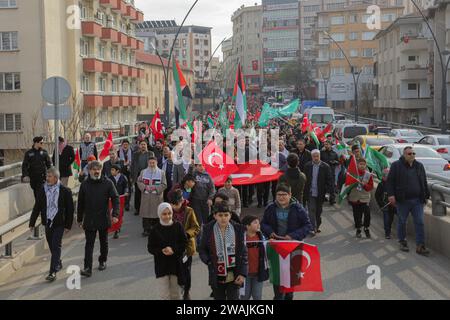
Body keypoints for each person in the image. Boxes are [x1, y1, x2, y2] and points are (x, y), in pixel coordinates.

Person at [261, 183, 313, 300]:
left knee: (291, 276)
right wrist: (270, 232)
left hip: (293, 246)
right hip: (276, 246)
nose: (281, 197)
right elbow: (263, 223)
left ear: (290, 195)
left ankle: (289, 296)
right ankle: (278, 297)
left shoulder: (298, 208)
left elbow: (307, 226)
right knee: (277, 276)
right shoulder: (270, 208)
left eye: (284, 194)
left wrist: (292, 236)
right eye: (278, 194)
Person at [29, 167, 74, 282]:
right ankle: (57, 262)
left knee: (56, 245)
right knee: (51, 244)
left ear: (55, 178)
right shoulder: (42, 190)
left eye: (49, 176)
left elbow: (70, 210)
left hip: (59, 222)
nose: (47, 178)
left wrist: (68, 225)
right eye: (47, 176)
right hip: (48, 222)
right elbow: (37, 207)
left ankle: (52, 272)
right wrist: (32, 222)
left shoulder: (65, 191)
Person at [77, 161, 119, 277]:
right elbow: (80, 203)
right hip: (89, 219)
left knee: (103, 242)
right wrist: (80, 219)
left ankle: (102, 260)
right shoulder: (84, 184)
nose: (96, 171)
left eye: (98, 169)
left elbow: (115, 198)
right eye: (93, 169)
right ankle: (87, 268)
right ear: (89, 171)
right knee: (89, 244)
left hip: (103, 218)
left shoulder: (108, 183)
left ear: (101, 170)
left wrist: (115, 214)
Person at [199, 201, 247, 300]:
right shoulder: (208, 229)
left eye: (226, 215)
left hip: (234, 274)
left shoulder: (238, 229)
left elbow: (244, 253)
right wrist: (208, 261)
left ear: (230, 215)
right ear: (215, 216)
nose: (223, 218)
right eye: (220, 215)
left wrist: (242, 273)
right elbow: (202, 249)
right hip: (217, 274)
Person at [386, 146, 430, 255]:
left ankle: (420, 246)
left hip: (417, 200)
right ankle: (402, 241)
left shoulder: (419, 166)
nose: (412, 155)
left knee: (419, 222)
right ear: (404, 155)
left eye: (414, 153)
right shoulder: (396, 165)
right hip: (403, 200)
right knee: (402, 221)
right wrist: (391, 195)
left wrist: (426, 196)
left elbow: (424, 181)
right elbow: (390, 181)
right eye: (409, 154)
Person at [148, 202, 187, 300]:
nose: (167, 216)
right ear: (159, 214)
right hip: (161, 266)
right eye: (164, 214)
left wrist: (173, 250)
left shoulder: (178, 226)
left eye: (169, 213)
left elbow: (184, 243)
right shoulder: (154, 229)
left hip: (176, 266)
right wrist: (161, 251)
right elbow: (151, 248)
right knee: (164, 295)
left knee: (176, 294)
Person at [169, 190, 201, 300]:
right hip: (173, 248)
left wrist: (187, 234)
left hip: (187, 248)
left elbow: (196, 228)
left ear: (182, 201)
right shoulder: (168, 211)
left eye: (176, 204)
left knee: (186, 271)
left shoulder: (189, 211)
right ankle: (177, 290)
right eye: (172, 204)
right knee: (174, 272)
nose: (175, 207)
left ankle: (187, 291)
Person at [304, 149, 333, 235]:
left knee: (318, 211)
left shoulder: (326, 166)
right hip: (310, 192)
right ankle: (312, 228)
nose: (316, 158)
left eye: (317, 156)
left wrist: (328, 193)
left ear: (320, 156)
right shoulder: (307, 166)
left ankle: (317, 225)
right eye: (314, 156)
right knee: (311, 210)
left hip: (320, 192)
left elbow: (329, 181)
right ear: (311, 157)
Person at [137, 156, 167, 236]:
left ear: (156, 163)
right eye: (150, 163)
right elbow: (139, 182)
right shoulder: (143, 172)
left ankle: (155, 230)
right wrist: (145, 187)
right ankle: (146, 229)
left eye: (153, 163)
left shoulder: (161, 172)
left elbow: (164, 184)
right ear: (148, 163)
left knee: (156, 214)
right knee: (146, 215)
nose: (152, 164)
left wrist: (155, 188)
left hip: (156, 197)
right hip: (146, 196)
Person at [241, 215, 269, 301]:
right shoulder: (241, 238)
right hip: (244, 274)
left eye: (258, 223)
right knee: (244, 296)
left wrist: (270, 243)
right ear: (247, 226)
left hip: (258, 273)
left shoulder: (262, 237)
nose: (258, 225)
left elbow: (268, 251)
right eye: (255, 222)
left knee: (257, 296)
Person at [348, 158, 374, 238]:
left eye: (364, 164)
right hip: (354, 198)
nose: (362, 166)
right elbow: (347, 185)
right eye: (360, 164)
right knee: (357, 215)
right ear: (357, 165)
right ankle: (358, 229)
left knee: (367, 214)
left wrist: (364, 185)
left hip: (364, 198)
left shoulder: (368, 175)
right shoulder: (352, 174)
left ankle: (366, 227)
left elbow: (371, 187)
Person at [131, 140, 155, 216]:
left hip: (148, 176)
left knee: (147, 193)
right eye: (141, 144)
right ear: (139, 145)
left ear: (146, 145)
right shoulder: (135, 154)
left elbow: (154, 165)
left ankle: (147, 208)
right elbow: (132, 166)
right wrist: (132, 177)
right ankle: (137, 209)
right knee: (137, 193)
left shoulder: (150, 154)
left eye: (144, 144)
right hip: (138, 176)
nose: (143, 146)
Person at [108, 164, 129, 239]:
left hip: (121, 198)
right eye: (111, 170)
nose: (111, 171)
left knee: (119, 213)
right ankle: (115, 230)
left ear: (117, 171)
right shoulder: (109, 178)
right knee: (113, 213)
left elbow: (126, 186)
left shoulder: (123, 177)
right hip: (112, 198)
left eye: (113, 170)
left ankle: (118, 227)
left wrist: (126, 192)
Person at [375, 168, 397, 239]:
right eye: (385, 175)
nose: (387, 177)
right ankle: (387, 232)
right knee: (386, 219)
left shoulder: (394, 184)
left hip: (393, 205)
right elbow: (377, 195)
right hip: (385, 205)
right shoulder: (381, 185)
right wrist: (381, 204)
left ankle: (390, 229)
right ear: (383, 177)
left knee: (391, 218)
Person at [320, 140, 339, 205]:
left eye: (327, 144)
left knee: (332, 187)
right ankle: (322, 198)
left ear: (330, 145)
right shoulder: (321, 153)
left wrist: (335, 162)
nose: (326, 146)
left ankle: (332, 200)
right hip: (323, 172)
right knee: (323, 186)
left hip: (331, 172)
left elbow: (338, 161)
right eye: (325, 144)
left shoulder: (334, 153)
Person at [118, 139, 132, 211]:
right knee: (122, 188)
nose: (125, 146)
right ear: (122, 145)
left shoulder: (132, 152)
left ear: (128, 145)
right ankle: (122, 203)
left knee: (129, 188)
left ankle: (127, 203)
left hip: (129, 173)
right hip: (121, 172)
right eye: (124, 145)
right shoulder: (118, 152)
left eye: (127, 145)